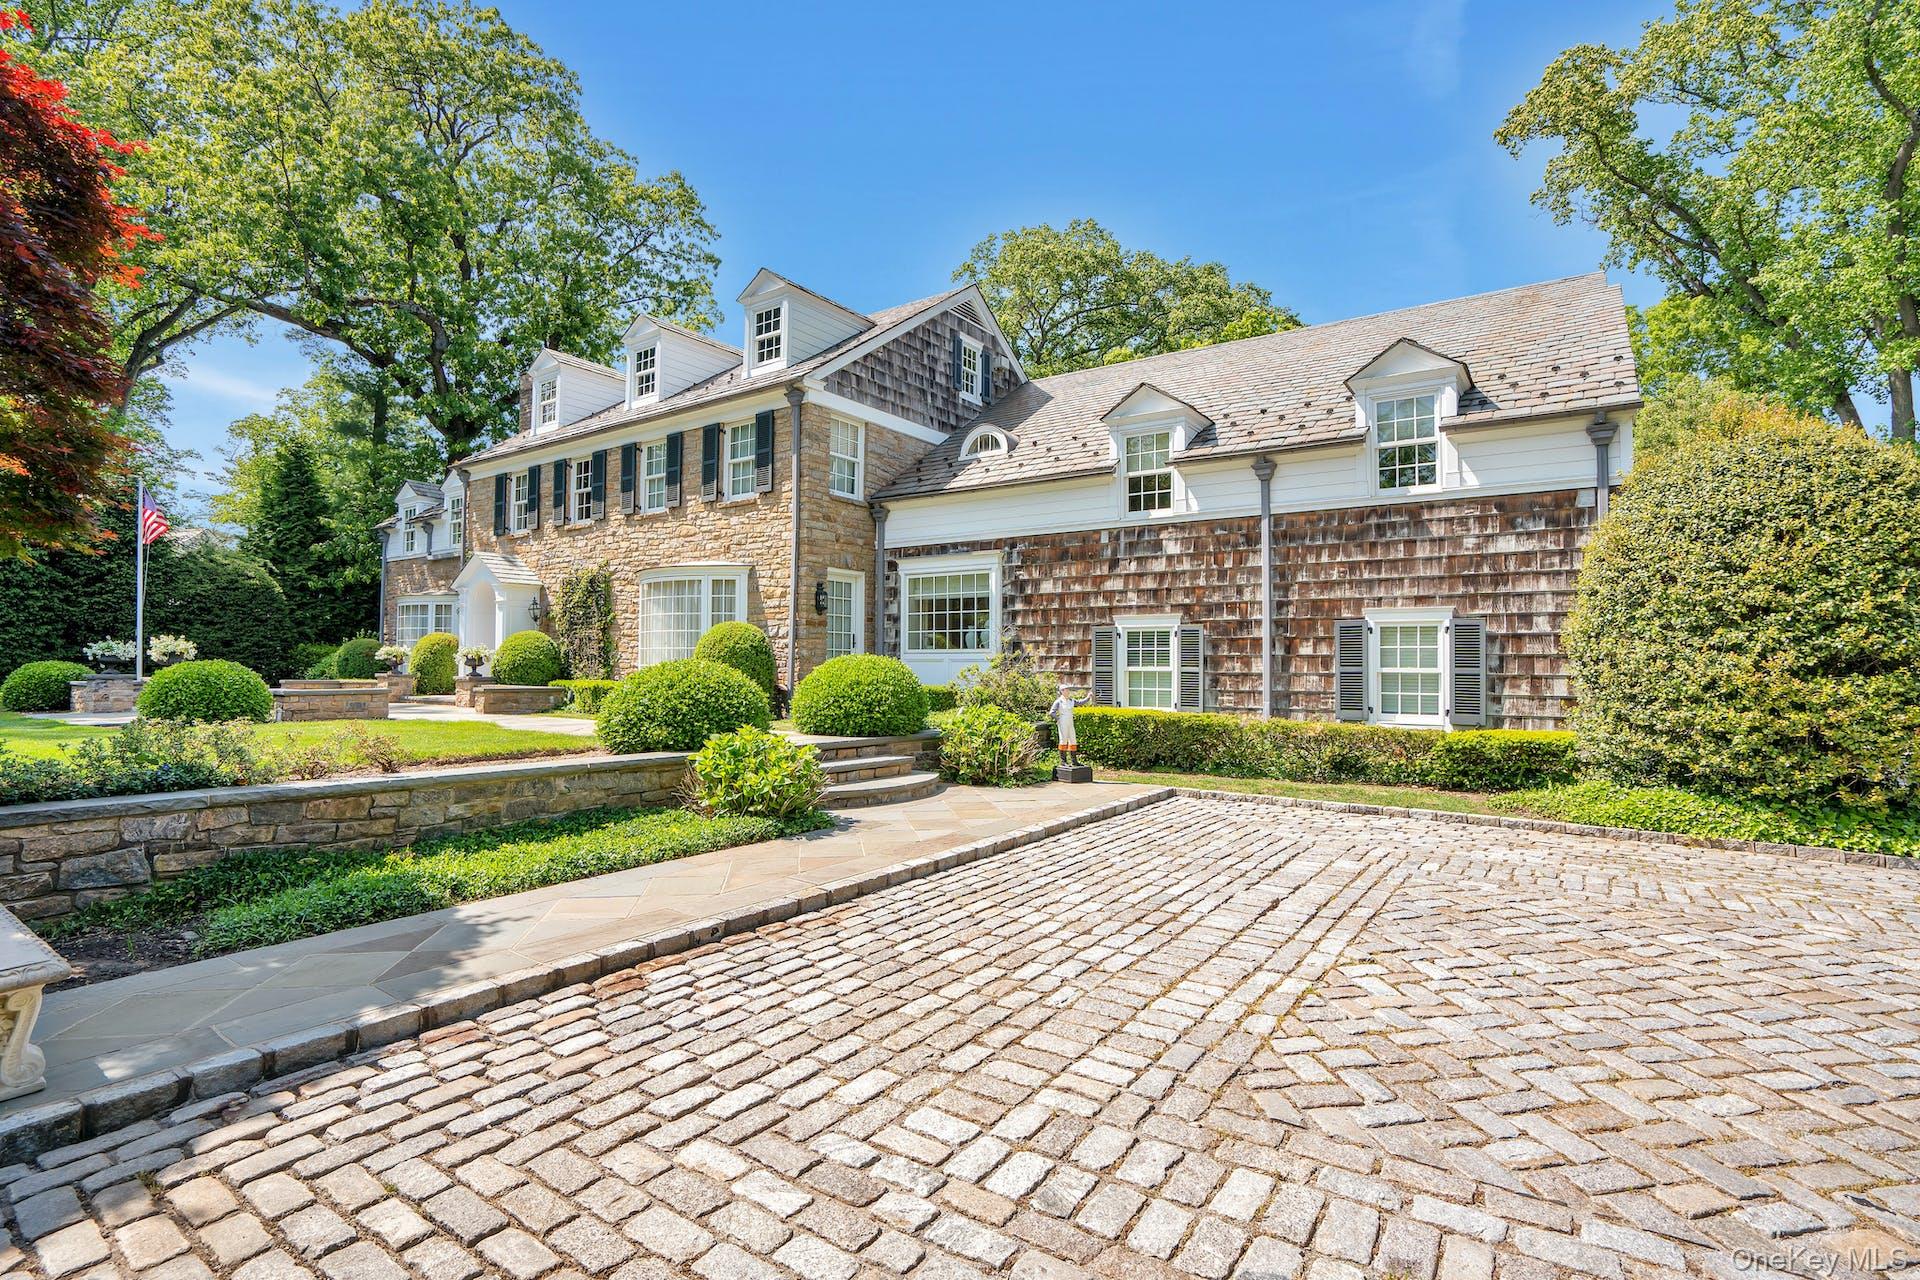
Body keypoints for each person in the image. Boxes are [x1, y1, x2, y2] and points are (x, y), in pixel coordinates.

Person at [1048, 688, 1081, 767]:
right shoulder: (1058, 701)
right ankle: (1063, 761)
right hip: (1063, 722)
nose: (1067, 691)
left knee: (1073, 740)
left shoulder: (1071, 700)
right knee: (1063, 740)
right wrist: (1058, 719)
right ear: (1062, 691)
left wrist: (1088, 697)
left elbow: (1080, 702)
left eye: (1068, 690)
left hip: (1070, 722)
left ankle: (1074, 761)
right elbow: (1052, 712)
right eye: (1065, 690)